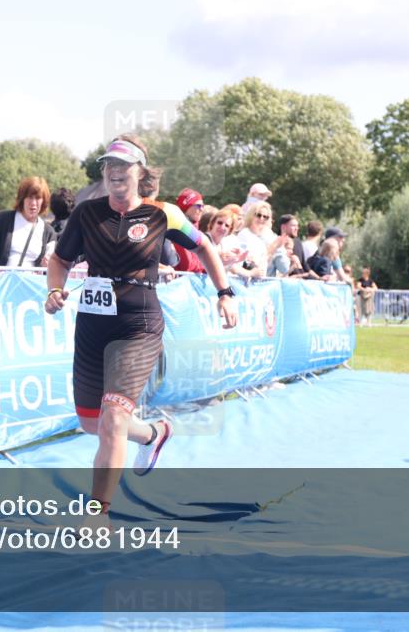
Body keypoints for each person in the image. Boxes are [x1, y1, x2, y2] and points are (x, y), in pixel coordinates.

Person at [44, 135, 238, 523]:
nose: (115, 173)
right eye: (109, 166)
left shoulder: (163, 213)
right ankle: (153, 434)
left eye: (124, 166)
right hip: (92, 326)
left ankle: (97, 514)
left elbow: (203, 247)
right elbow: (60, 260)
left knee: (113, 418)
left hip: (140, 325)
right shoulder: (86, 214)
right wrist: (54, 289)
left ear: (140, 172)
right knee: (91, 423)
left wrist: (225, 292)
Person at [0, 176, 58, 269]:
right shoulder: (1, 220)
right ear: (22, 198)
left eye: (38, 198)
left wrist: (48, 264)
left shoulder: (48, 232)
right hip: (1, 281)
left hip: (30, 282)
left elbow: (50, 266)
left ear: (44, 201)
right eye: (29, 197)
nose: (33, 203)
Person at [171, 189, 207, 273]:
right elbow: (187, 265)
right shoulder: (180, 228)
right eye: (198, 206)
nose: (201, 209)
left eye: (203, 206)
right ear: (186, 206)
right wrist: (205, 264)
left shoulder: (195, 229)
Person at [235, 202, 274, 277]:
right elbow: (247, 260)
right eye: (258, 215)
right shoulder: (244, 234)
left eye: (265, 217)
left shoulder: (267, 235)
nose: (262, 219)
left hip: (260, 279)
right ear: (251, 216)